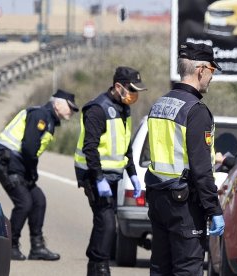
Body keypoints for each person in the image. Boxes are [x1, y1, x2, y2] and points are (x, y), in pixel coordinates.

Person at [144, 42, 225, 276]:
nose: (212, 77)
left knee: (161, 267)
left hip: (158, 198)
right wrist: (214, 210)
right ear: (201, 70)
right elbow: (201, 169)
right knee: (187, 269)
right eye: (212, 70)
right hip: (184, 204)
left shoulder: (159, 105)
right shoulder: (195, 110)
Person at [0, 89, 79, 261]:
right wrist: (32, 172)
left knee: (38, 200)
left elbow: (29, 152)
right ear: (57, 104)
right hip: (6, 162)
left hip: (17, 164)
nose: (72, 112)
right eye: (70, 107)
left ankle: (37, 247)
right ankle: (10, 247)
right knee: (24, 203)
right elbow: (29, 148)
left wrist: (30, 172)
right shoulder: (40, 116)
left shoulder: (48, 118)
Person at [74, 66, 146, 276]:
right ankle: (100, 266)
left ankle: (94, 263)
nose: (135, 95)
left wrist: (132, 173)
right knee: (106, 223)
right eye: (131, 89)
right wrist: (98, 178)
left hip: (113, 176)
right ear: (118, 87)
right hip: (93, 175)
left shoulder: (124, 108)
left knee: (103, 221)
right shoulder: (97, 109)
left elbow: (125, 145)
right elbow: (90, 147)